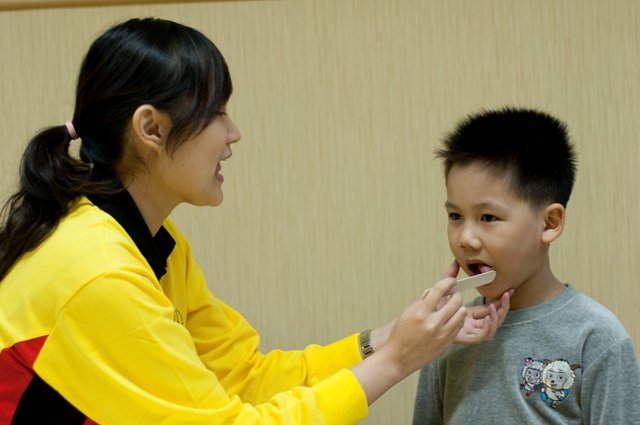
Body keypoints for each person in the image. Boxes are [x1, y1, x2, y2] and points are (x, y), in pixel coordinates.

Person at [0, 18, 511, 424]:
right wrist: (397, 359)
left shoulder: (153, 242)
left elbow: (246, 377)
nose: (233, 133)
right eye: (216, 112)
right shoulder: (100, 274)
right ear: (151, 128)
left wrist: (391, 337)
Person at [412, 107, 640, 424]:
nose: (466, 239)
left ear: (550, 223)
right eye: (455, 216)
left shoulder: (596, 337)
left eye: (488, 217)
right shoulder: (448, 334)